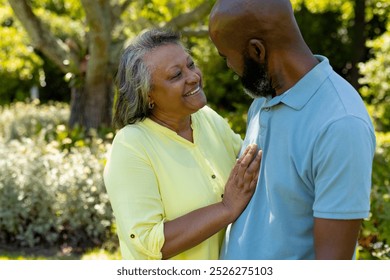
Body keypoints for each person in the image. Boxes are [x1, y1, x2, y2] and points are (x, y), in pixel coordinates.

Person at [208, 0, 376, 259]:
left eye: (226, 56)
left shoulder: (341, 124)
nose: (229, 66)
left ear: (257, 51)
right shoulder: (263, 100)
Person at [103, 29, 262, 260]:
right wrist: (227, 208)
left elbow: (250, 169)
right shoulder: (131, 145)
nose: (194, 76)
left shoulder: (207, 118)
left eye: (191, 65)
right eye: (176, 75)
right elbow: (149, 243)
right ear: (148, 95)